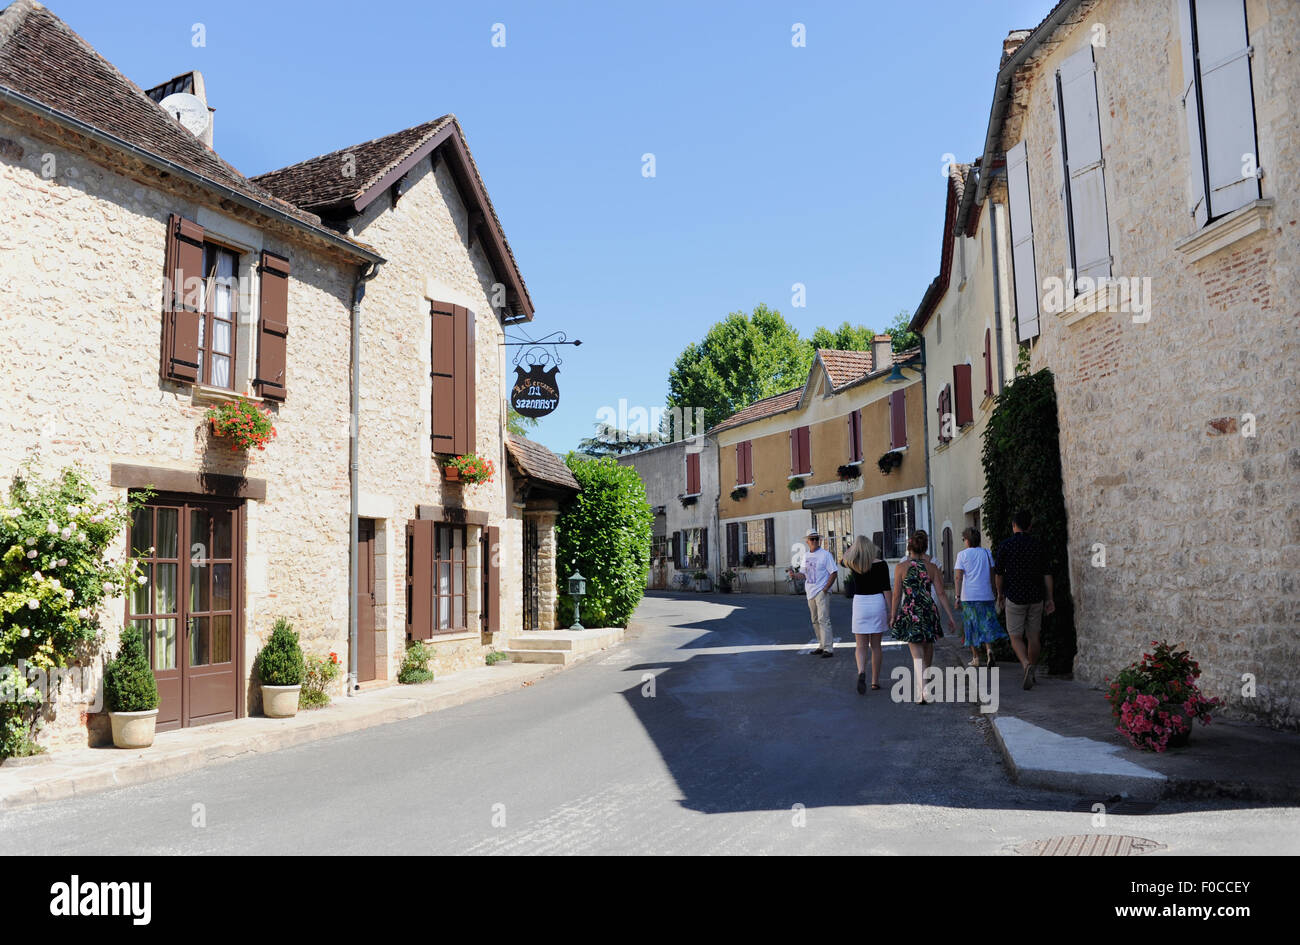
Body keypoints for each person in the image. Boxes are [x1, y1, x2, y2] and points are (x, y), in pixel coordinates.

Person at [891, 531, 957, 703]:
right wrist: (950, 617)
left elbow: (897, 595)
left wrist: (892, 615)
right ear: (925, 546)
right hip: (929, 610)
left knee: (916, 654)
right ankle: (925, 684)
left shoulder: (901, 568)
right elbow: (941, 593)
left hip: (911, 610)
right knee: (927, 647)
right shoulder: (932, 567)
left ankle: (923, 691)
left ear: (909, 546)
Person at [993, 510, 1055, 690]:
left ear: (1014, 526)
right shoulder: (1038, 545)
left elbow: (998, 574)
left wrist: (1000, 594)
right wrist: (1050, 598)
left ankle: (1026, 664)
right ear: (1029, 526)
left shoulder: (1005, 546)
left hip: (1015, 596)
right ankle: (1032, 670)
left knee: (1015, 636)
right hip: (1036, 597)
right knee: (1034, 636)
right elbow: (1047, 574)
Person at [842, 535, 891, 693]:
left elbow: (841, 559)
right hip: (877, 602)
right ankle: (875, 681)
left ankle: (861, 671)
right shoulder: (881, 564)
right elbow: (886, 589)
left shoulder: (853, 563)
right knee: (876, 646)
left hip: (860, 604)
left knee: (861, 646)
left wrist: (852, 548)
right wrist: (891, 611)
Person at [954, 527, 1005, 667]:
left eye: (964, 539)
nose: (964, 542)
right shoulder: (987, 553)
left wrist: (957, 596)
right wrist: (996, 593)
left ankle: (976, 658)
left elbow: (958, 577)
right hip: (986, 595)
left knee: (971, 627)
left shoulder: (962, 555)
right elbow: (992, 574)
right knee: (986, 624)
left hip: (969, 597)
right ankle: (989, 650)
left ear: (968, 540)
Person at [800, 528, 837, 658]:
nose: (815, 541)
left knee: (823, 619)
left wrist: (826, 589)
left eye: (817, 539)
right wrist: (794, 575)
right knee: (815, 620)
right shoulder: (805, 556)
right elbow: (803, 574)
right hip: (810, 592)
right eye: (812, 539)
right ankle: (821, 645)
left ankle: (828, 648)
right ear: (807, 541)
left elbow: (834, 572)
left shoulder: (825, 555)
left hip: (821, 591)